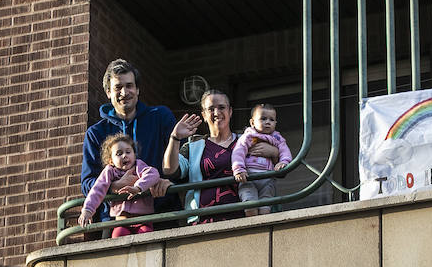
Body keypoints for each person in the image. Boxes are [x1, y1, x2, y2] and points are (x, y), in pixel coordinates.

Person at [81, 59, 176, 219]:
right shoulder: (96, 133)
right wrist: (113, 186)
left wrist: (171, 182)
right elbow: (87, 183)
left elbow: (182, 161)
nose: (124, 93)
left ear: (137, 89)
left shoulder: (160, 117)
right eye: (118, 87)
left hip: (162, 213)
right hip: (116, 220)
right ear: (108, 92)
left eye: (129, 86)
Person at [164, 88, 259, 224]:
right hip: (204, 222)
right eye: (211, 109)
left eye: (221, 107)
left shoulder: (246, 140)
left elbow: (271, 159)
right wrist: (175, 137)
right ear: (203, 114)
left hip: (243, 218)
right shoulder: (193, 146)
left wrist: (271, 151)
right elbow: (169, 169)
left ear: (230, 111)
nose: (217, 113)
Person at [78, 134, 160, 237]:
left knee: (146, 235)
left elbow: (153, 174)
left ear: (134, 155)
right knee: (117, 236)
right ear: (111, 160)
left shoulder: (139, 166)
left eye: (128, 152)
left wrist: (138, 187)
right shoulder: (110, 171)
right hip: (122, 221)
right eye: (119, 153)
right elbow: (98, 189)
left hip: (143, 219)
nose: (124, 155)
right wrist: (88, 210)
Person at [231, 102, 293, 217]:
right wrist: (239, 169)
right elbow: (238, 152)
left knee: (266, 207)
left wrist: (283, 162)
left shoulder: (277, 138)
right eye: (263, 119)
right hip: (248, 177)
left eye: (271, 119)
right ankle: (253, 227)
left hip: (267, 178)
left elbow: (285, 151)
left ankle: (264, 227)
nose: (267, 122)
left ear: (275, 123)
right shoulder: (248, 136)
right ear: (252, 122)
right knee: (250, 204)